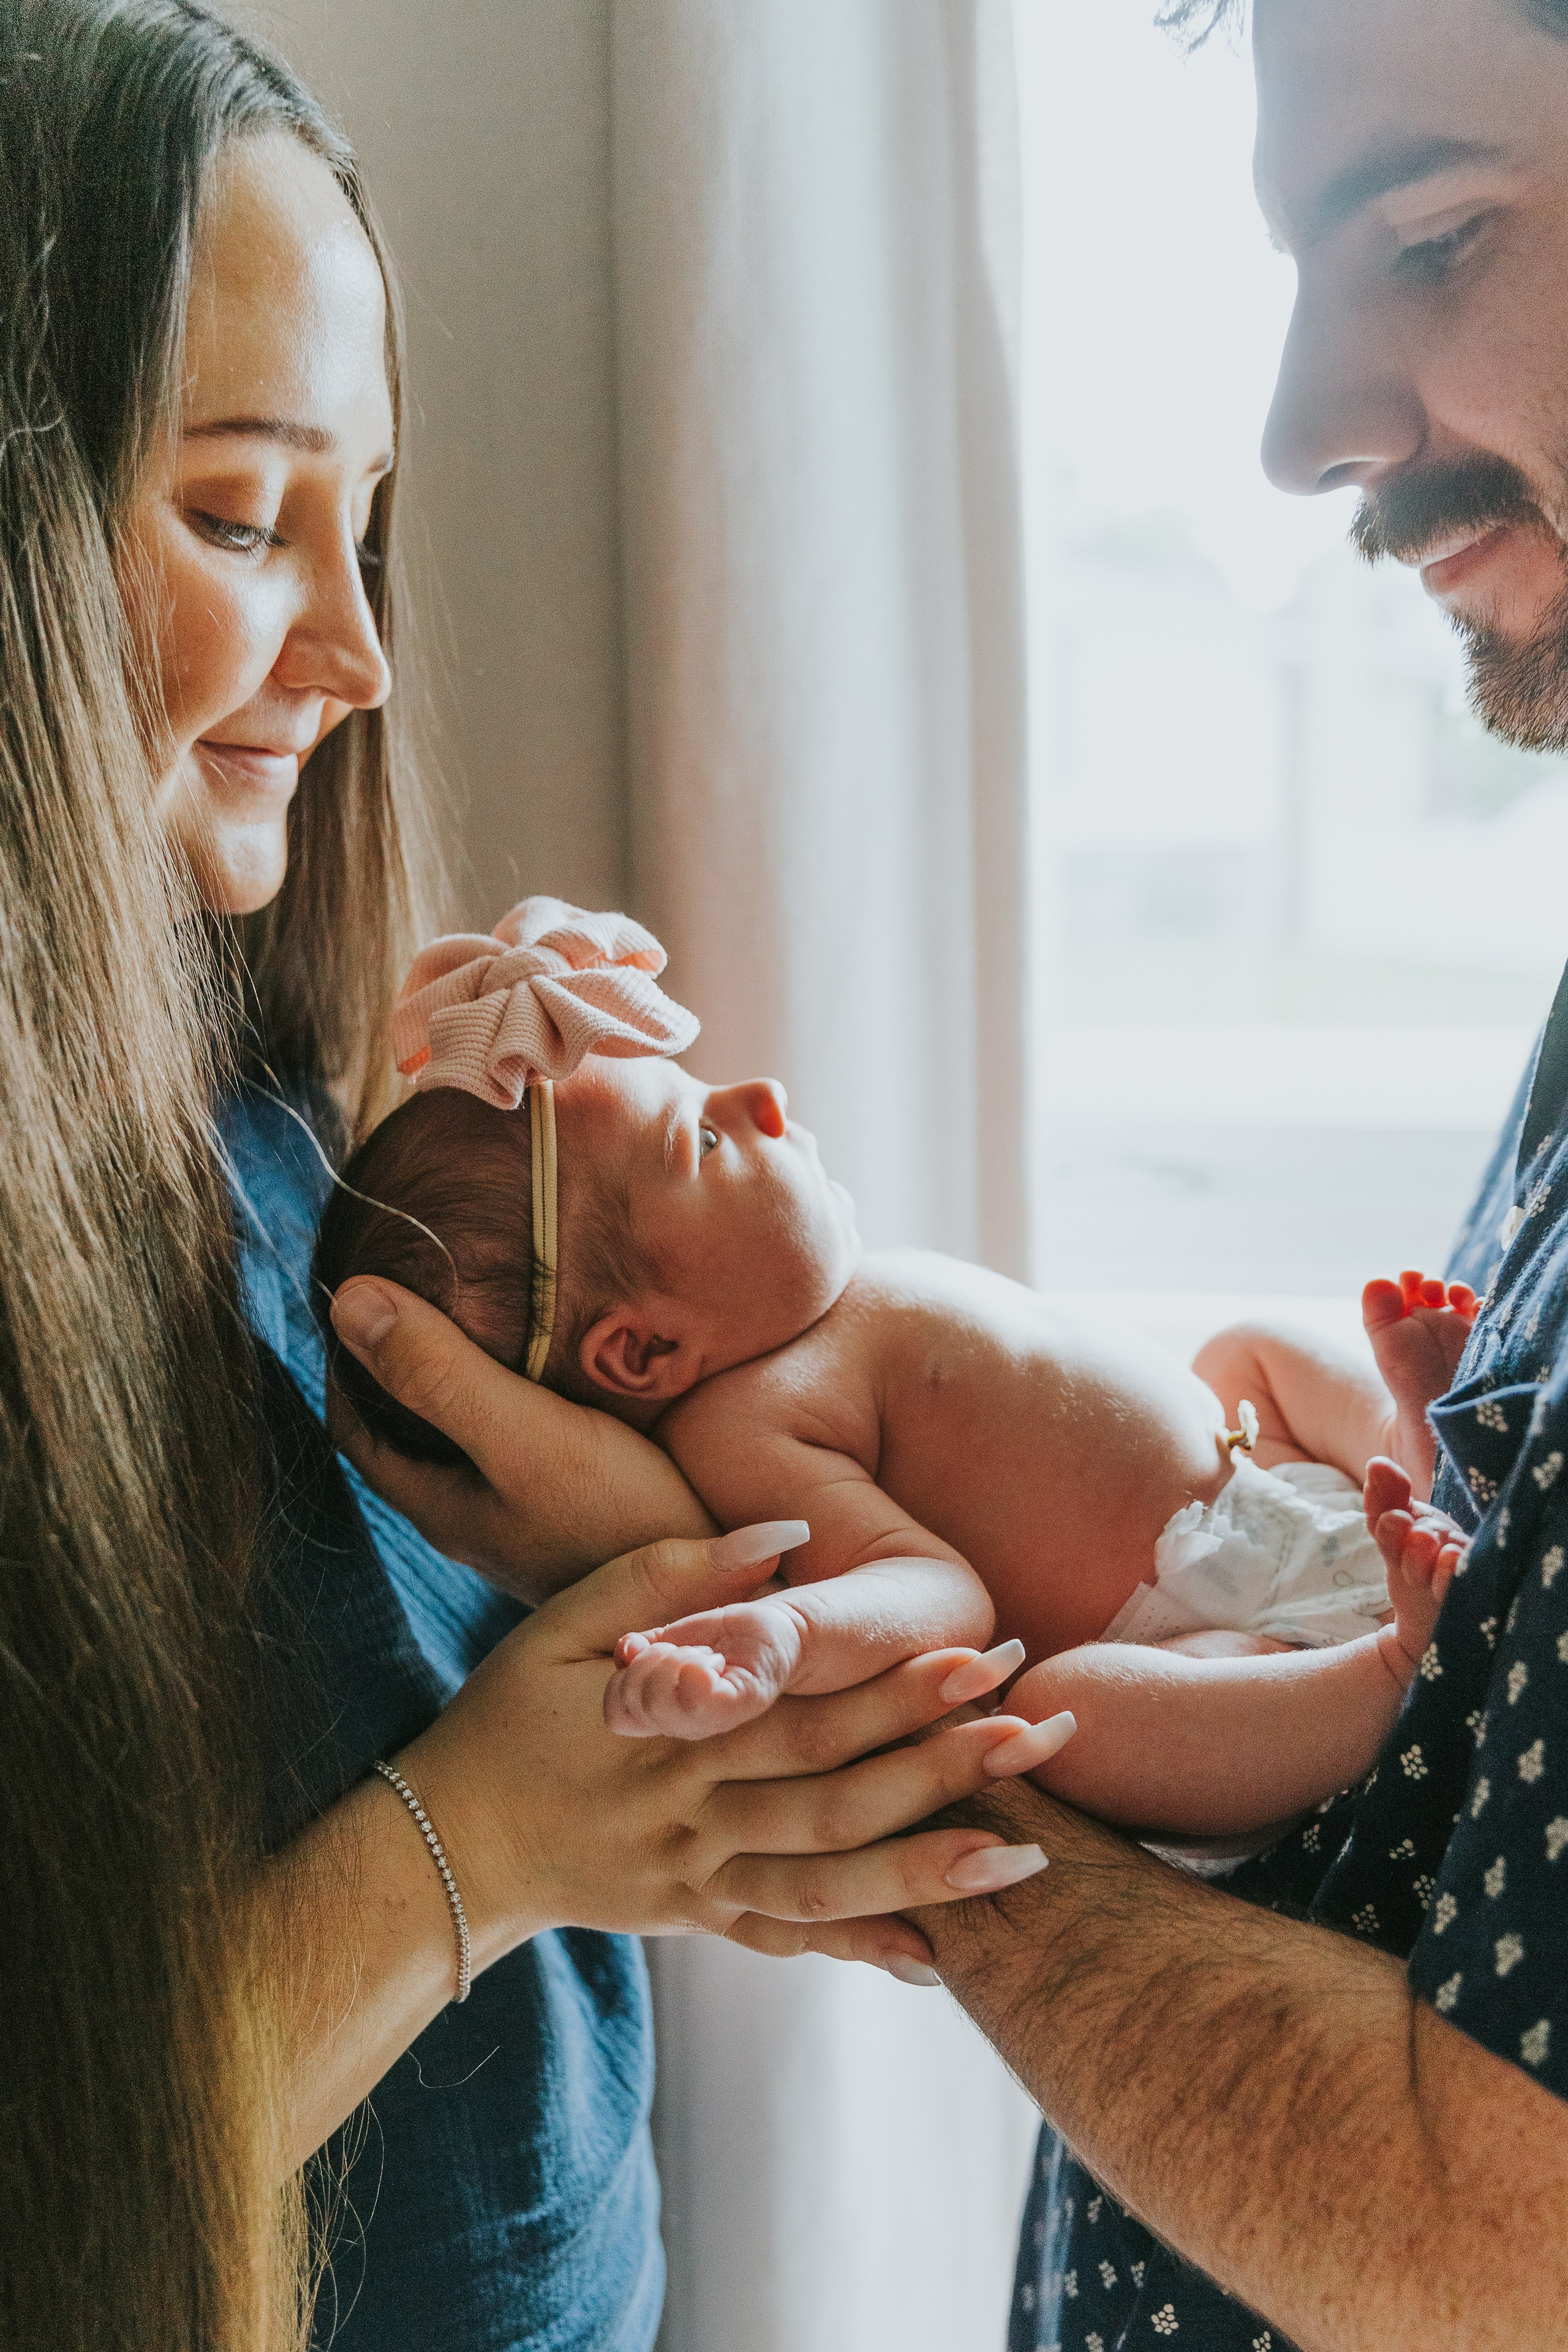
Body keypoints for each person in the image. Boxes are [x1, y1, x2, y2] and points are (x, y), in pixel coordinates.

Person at [0, 6, 1055, 2346]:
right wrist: (493, 1831)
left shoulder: (257, 1103)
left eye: (363, 522)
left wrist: (677, 1625)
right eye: (239, 516)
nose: (362, 654)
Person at [316, 904, 1478, 1848]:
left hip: (1269, 1482)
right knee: (1069, 1722)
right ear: (646, 1350)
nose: (759, 1099)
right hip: (1227, 1644)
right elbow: (933, 1593)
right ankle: (1387, 1670)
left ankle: (1409, 1444)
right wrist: (787, 1631)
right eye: (704, 1142)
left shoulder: (830, 1312)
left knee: (1245, 1352)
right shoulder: (750, 1424)